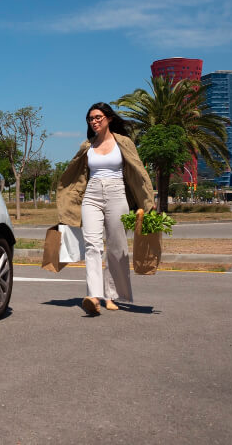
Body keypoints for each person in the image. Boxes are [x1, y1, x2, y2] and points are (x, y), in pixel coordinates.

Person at [56, 102, 155, 315]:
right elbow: (76, 175)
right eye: (91, 119)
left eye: (98, 117)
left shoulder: (124, 143)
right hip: (91, 195)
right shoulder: (87, 146)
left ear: (109, 118)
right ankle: (93, 296)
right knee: (92, 245)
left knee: (116, 246)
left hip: (117, 194)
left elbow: (139, 173)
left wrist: (147, 200)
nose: (94, 122)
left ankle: (111, 295)